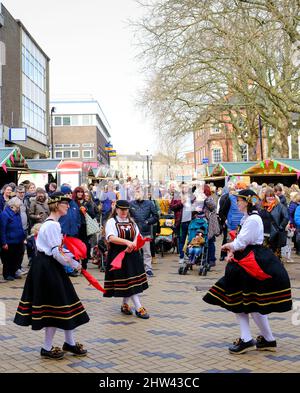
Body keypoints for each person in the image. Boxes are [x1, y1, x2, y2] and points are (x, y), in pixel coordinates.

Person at [203, 189, 292, 354]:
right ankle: (267, 339)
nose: (237, 203)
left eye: (239, 200)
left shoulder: (253, 219)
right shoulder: (249, 218)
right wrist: (233, 248)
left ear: (247, 202)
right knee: (249, 302)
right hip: (247, 261)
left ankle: (248, 339)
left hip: (249, 262)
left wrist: (228, 247)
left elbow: (242, 241)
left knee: (245, 302)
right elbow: (240, 240)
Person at [14, 192, 89, 360]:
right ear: (56, 205)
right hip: (48, 268)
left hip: (47, 267)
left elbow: (59, 249)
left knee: (64, 304)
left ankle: (69, 343)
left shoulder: (52, 224)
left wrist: (73, 259)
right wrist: (75, 264)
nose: (68, 206)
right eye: (65, 203)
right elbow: (57, 252)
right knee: (56, 307)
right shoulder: (52, 225)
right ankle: (47, 347)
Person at [104, 200, 149, 319]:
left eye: (126, 210)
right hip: (118, 255)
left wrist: (133, 244)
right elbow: (111, 238)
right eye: (121, 209)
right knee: (129, 282)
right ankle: (139, 308)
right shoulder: (111, 222)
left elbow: (137, 236)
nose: (124, 212)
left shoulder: (131, 222)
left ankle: (125, 304)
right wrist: (127, 242)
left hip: (132, 255)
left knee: (131, 282)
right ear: (116, 209)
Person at [129, 189, 159, 277]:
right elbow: (128, 215)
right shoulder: (131, 204)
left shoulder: (149, 203)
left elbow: (156, 216)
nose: (137, 194)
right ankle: (136, 269)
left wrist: (148, 222)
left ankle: (148, 269)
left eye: (138, 192)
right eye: (136, 192)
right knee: (135, 251)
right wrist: (131, 220)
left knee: (147, 251)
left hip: (145, 231)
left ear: (143, 193)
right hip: (134, 232)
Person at [0, 198, 26, 281]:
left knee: (16, 258)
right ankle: (7, 274)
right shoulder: (4, 214)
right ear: (11, 206)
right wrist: (4, 243)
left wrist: (23, 237)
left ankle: (13, 272)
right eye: (17, 207)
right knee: (8, 259)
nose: (18, 209)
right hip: (9, 241)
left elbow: (20, 226)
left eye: (18, 207)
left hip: (18, 240)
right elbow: (2, 229)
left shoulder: (17, 213)